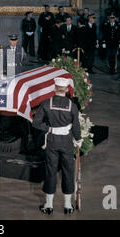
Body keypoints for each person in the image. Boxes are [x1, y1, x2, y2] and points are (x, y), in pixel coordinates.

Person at [33, 78, 82, 215]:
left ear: (54, 89)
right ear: (66, 90)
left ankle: (48, 205)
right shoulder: (72, 106)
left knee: (50, 171)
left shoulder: (46, 103)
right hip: (66, 141)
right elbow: (76, 126)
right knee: (68, 170)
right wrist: (78, 140)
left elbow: (36, 123)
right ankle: (67, 205)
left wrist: (48, 128)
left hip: (52, 141)